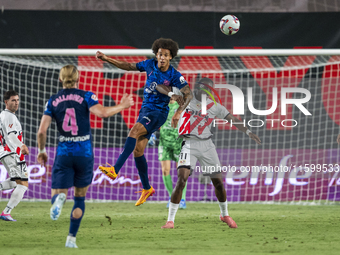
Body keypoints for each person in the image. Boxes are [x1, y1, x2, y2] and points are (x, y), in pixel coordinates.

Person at [37, 65, 134, 248]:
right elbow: (103, 113)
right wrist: (123, 105)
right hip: (84, 153)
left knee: (57, 194)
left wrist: (42, 151)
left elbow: (42, 131)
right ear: (78, 78)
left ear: (60, 78)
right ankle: (71, 239)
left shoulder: (53, 101)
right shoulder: (86, 96)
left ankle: (59, 199)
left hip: (64, 152)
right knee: (80, 198)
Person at [96, 38, 192, 206]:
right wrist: (106, 59)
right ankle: (147, 188)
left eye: (166, 55)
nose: (162, 57)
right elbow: (128, 66)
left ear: (171, 57)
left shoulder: (175, 75)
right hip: (145, 111)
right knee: (138, 151)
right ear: (156, 54)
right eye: (160, 54)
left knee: (133, 132)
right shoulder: (149, 64)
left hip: (158, 113)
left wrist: (177, 113)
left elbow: (188, 95)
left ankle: (115, 169)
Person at [157, 78, 261, 229]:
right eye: (200, 89)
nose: (203, 92)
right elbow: (160, 86)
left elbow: (232, 119)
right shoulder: (186, 99)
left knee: (218, 183)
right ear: (196, 88)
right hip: (189, 144)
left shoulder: (215, 107)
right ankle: (170, 220)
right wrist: (172, 93)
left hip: (207, 146)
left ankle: (224, 214)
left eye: (207, 90)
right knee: (181, 180)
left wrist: (249, 132)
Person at [0, 90, 29, 221]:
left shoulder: (6, 115)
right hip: (10, 152)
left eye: (17, 100)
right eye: (13, 100)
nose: (16, 103)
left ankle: (6, 212)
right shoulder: (9, 116)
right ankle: (6, 212)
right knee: (22, 184)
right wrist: (22, 145)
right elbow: (11, 135)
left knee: (13, 183)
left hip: (11, 153)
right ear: (6, 102)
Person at [158, 97, 187, 209]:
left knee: (181, 172)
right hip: (164, 142)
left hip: (178, 142)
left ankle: (182, 198)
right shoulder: (161, 105)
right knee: (165, 170)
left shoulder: (181, 106)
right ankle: (172, 198)